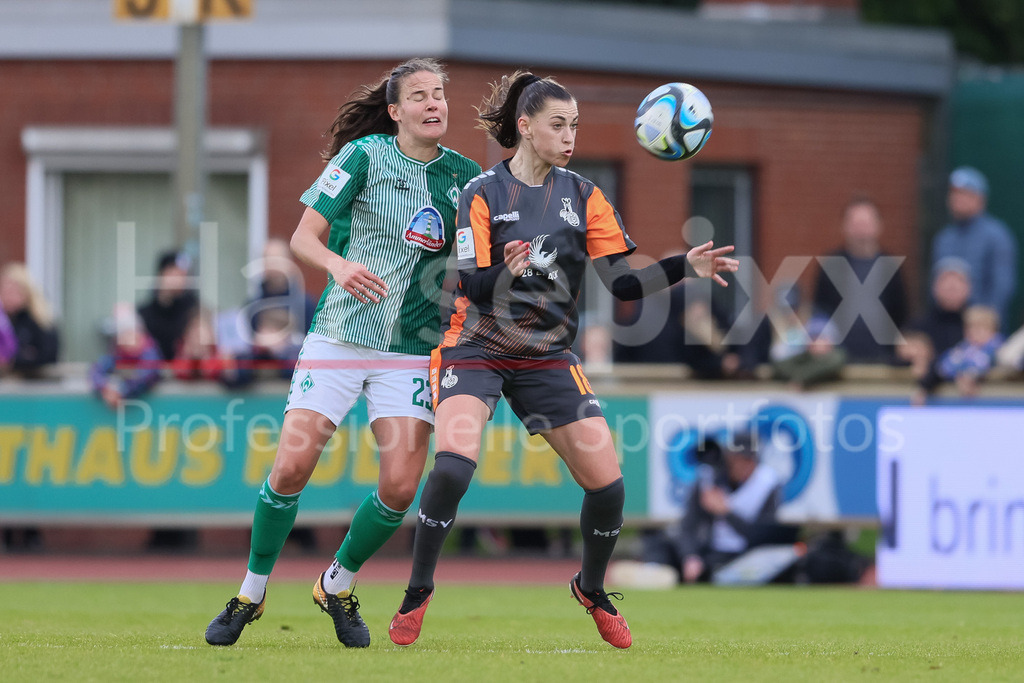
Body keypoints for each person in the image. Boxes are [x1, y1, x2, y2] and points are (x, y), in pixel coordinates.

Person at [387, 71, 738, 650]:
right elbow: (472, 285)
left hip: (546, 355)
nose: (570, 136)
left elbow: (623, 284)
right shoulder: (481, 192)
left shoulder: (585, 196)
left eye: (575, 125)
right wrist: (507, 271)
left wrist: (684, 266)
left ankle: (591, 588)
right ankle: (418, 589)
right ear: (525, 127)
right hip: (475, 346)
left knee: (609, 487)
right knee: (451, 468)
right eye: (558, 125)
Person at [204, 58, 481, 648]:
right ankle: (251, 593)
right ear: (396, 110)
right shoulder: (362, 156)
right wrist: (338, 265)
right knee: (290, 468)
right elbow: (303, 238)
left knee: (401, 488)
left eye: (439, 94)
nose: (434, 103)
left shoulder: (466, 176)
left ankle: (337, 583)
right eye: (420, 96)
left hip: (411, 351)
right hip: (338, 337)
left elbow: (475, 263)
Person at [640, 432, 795, 584]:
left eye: (746, 460)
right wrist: (691, 556)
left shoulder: (768, 483)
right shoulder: (709, 479)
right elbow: (688, 525)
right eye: (736, 458)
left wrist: (726, 512)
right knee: (657, 541)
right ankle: (653, 574)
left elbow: (762, 536)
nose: (741, 465)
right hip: (709, 554)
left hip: (744, 556)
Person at [812, 195, 907, 363]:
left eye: (866, 223)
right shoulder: (831, 265)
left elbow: (901, 312)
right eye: (856, 223)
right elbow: (820, 309)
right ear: (844, 226)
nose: (861, 230)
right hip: (838, 359)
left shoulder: (890, 266)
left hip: (883, 359)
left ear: (879, 225)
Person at [931, 167, 1017, 326]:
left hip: (983, 327)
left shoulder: (997, 235)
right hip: (948, 324)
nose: (958, 199)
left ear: (980, 199)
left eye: (965, 194)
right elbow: (936, 284)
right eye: (955, 194)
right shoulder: (944, 237)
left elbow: (1002, 285)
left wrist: (984, 322)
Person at [898, 258, 971, 404]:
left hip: (969, 406)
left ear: (968, 288)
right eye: (945, 280)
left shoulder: (978, 326)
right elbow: (895, 361)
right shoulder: (917, 326)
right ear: (934, 287)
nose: (951, 286)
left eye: (958, 281)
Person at [769, 283, 846, 389]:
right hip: (788, 364)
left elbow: (830, 344)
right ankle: (801, 379)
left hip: (812, 360)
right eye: (785, 310)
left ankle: (801, 379)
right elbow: (776, 356)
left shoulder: (817, 317)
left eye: (794, 308)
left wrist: (818, 345)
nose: (790, 314)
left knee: (837, 357)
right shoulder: (770, 322)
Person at [89, 302, 162, 410]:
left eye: (128, 334)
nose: (123, 340)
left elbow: (146, 375)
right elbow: (96, 371)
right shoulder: (116, 354)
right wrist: (106, 386)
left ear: (139, 333)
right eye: (120, 335)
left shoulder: (150, 353)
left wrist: (122, 390)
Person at [0, 263, 59, 378]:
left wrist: (13, 360)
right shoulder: (4, 321)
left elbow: (48, 355)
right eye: (4, 290)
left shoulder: (39, 320)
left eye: (12, 290)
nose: (7, 296)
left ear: (26, 292)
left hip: (35, 383)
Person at [138, 251, 199, 362]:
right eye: (175, 274)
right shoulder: (144, 313)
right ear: (161, 275)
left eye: (183, 275)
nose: (180, 280)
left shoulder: (193, 311)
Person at [934, 305, 1003, 399]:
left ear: (993, 330)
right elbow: (943, 367)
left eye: (980, 327)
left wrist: (969, 376)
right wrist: (959, 376)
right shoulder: (964, 348)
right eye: (970, 327)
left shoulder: (998, 347)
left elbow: (983, 363)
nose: (974, 332)